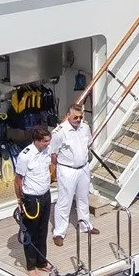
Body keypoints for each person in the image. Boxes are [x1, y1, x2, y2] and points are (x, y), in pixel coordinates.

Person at [50, 104, 98, 246]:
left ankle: (85, 225)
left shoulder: (85, 127)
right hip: (67, 169)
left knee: (83, 198)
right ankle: (59, 232)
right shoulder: (59, 132)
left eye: (80, 117)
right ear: (68, 116)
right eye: (75, 117)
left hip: (83, 168)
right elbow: (53, 154)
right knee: (65, 201)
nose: (78, 119)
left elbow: (88, 143)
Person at [14, 125, 53, 276]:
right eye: (44, 141)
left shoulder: (47, 151)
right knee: (30, 233)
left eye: (48, 141)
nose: (47, 144)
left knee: (43, 231)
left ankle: (41, 261)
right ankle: (31, 267)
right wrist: (19, 200)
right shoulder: (25, 156)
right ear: (36, 141)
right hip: (31, 199)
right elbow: (18, 180)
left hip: (45, 195)